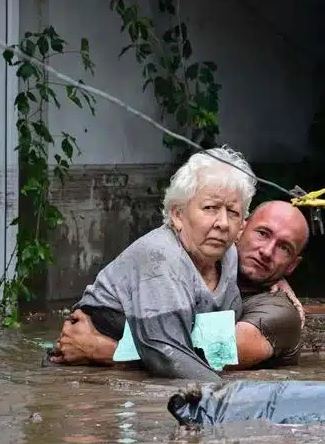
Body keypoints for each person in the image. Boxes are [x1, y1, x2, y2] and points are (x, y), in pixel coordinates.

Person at [65, 146, 257, 381]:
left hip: (126, 360)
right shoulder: (161, 255)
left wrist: (281, 283)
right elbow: (167, 355)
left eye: (233, 212)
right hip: (88, 376)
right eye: (210, 208)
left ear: (242, 227)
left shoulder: (229, 256)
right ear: (178, 214)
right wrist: (232, 398)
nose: (223, 223)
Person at [51, 199, 310, 370]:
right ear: (240, 229)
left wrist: (104, 350)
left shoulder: (280, 312)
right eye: (262, 234)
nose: (266, 251)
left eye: (283, 248)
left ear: (292, 265)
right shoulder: (197, 262)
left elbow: (214, 356)